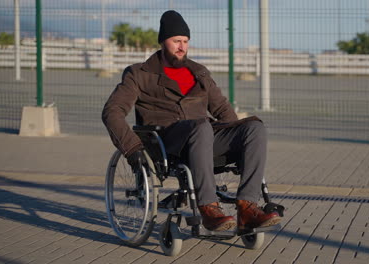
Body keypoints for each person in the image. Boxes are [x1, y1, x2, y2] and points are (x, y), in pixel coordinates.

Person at [102, 10, 280, 232]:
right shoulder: (139, 74)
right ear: (163, 42)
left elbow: (223, 110)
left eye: (185, 41)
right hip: (168, 142)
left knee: (254, 127)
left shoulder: (199, 72)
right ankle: (208, 208)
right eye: (176, 41)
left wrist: (238, 141)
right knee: (202, 127)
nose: (181, 46)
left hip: (204, 137)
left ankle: (247, 207)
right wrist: (132, 148)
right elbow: (112, 111)